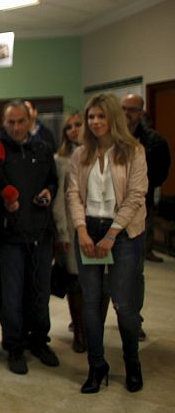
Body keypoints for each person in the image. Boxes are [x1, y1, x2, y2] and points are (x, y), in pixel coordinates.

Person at [66, 93, 148, 394]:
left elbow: (137, 195)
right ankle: (96, 366)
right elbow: (73, 193)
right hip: (89, 228)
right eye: (91, 117)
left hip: (124, 233)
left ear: (113, 118)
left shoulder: (133, 151)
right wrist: (82, 230)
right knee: (91, 302)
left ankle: (132, 364)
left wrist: (112, 234)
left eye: (101, 116)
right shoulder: (80, 153)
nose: (95, 122)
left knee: (124, 305)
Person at [0, 101, 59, 375]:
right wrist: (3, 201)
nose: (16, 127)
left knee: (40, 293)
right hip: (8, 236)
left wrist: (48, 192)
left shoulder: (42, 148)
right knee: (12, 295)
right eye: (11, 122)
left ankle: (39, 341)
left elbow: (53, 180)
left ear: (30, 121)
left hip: (40, 233)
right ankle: (14, 346)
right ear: (4, 123)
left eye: (21, 121)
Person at [121, 94, 170, 263]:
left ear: (141, 113)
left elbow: (160, 173)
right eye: (123, 108)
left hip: (139, 205)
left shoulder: (154, 142)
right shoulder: (105, 138)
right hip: (106, 210)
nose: (126, 113)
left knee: (133, 263)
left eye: (132, 110)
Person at [52, 112, 86, 353]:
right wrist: (62, 233)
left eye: (78, 125)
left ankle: (91, 327)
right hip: (72, 230)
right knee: (75, 282)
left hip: (96, 228)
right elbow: (60, 202)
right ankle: (80, 332)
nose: (74, 130)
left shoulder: (98, 156)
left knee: (97, 283)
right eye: (69, 127)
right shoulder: (60, 159)